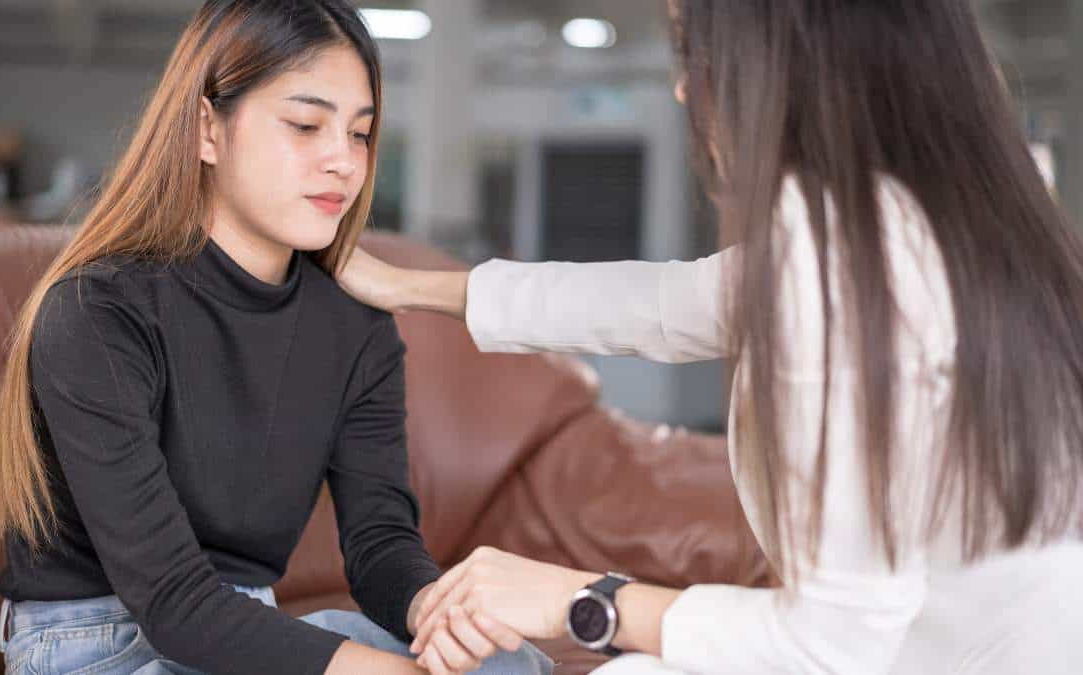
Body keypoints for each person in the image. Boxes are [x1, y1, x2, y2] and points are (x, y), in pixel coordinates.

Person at [337, 1, 1083, 673]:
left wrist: (579, 598)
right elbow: (660, 303)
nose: (684, 90)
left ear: (781, 64)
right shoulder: (945, 216)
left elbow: (834, 644)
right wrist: (402, 285)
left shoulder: (836, 255)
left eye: (694, 52)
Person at [0, 2, 551, 674]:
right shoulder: (98, 310)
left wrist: (439, 611)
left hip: (247, 630)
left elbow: (380, 543)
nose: (343, 161)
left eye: (361, 134)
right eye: (306, 124)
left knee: (510, 664)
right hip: (95, 645)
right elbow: (173, 602)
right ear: (206, 130)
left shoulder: (356, 326)